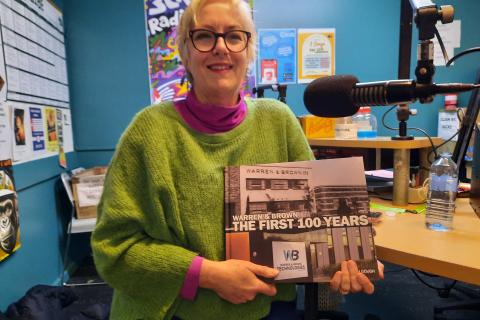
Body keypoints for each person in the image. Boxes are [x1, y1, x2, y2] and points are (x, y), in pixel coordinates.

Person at [91, 0, 384, 319]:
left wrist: (349, 258)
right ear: (185, 53)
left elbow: (321, 227)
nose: (220, 48)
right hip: (173, 312)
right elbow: (113, 250)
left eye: (234, 36)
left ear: (250, 50)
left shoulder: (279, 121)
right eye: (204, 36)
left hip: (268, 308)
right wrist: (208, 275)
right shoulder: (148, 132)